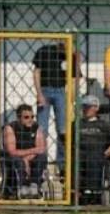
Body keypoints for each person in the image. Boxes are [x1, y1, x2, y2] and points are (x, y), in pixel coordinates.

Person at [32, 41, 79, 173]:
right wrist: (39, 93)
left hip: (61, 91)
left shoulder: (70, 55)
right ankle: (41, 164)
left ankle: (62, 165)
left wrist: (76, 57)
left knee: (63, 130)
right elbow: (36, 72)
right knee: (42, 130)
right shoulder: (45, 51)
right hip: (45, 89)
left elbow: (76, 76)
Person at [2, 104, 47, 199]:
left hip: (29, 157)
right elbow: (11, 151)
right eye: (26, 117)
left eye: (32, 117)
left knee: (42, 157)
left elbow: (41, 149)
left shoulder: (36, 127)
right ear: (18, 118)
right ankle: (22, 187)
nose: (30, 119)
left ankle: (34, 186)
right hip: (14, 158)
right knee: (17, 160)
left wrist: (26, 158)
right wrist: (29, 154)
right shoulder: (10, 128)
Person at [78, 95, 110, 205]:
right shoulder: (77, 124)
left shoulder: (104, 125)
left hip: (98, 156)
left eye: (88, 107)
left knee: (94, 159)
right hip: (80, 156)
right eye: (84, 107)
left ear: (96, 108)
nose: (86, 109)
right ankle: (82, 193)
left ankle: (94, 193)